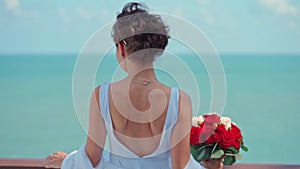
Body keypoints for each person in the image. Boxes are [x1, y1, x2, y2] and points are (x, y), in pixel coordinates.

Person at [44, 2, 223, 169]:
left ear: (121, 48)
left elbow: (91, 158)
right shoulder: (180, 100)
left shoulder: (102, 95)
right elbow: (181, 167)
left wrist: (66, 162)